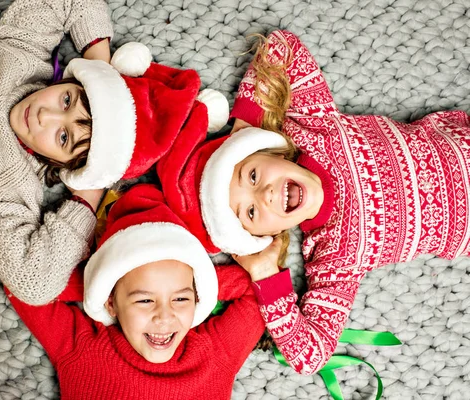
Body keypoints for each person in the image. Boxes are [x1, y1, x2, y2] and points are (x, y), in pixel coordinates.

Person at [0, 0, 228, 305]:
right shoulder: (22, 55)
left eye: (62, 137)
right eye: (68, 99)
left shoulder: (9, 191)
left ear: (64, 165)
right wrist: (101, 63)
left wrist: (89, 194)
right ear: (74, 79)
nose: (45, 115)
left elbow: (36, 283)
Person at [156, 30, 470, 375]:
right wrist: (263, 271)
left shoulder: (316, 128)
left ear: (267, 148)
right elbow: (312, 356)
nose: (266, 195)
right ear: (264, 235)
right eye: (250, 211)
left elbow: (282, 46)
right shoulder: (336, 256)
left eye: (253, 175)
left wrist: (244, 128)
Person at [6, 184, 266, 400]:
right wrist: (97, 285)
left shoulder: (213, 356)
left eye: (180, 298)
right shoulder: (83, 350)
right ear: (110, 303)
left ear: (198, 298)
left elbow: (260, 292)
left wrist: (203, 282)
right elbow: (23, 283)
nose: (164, 317)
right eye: (144, 299)